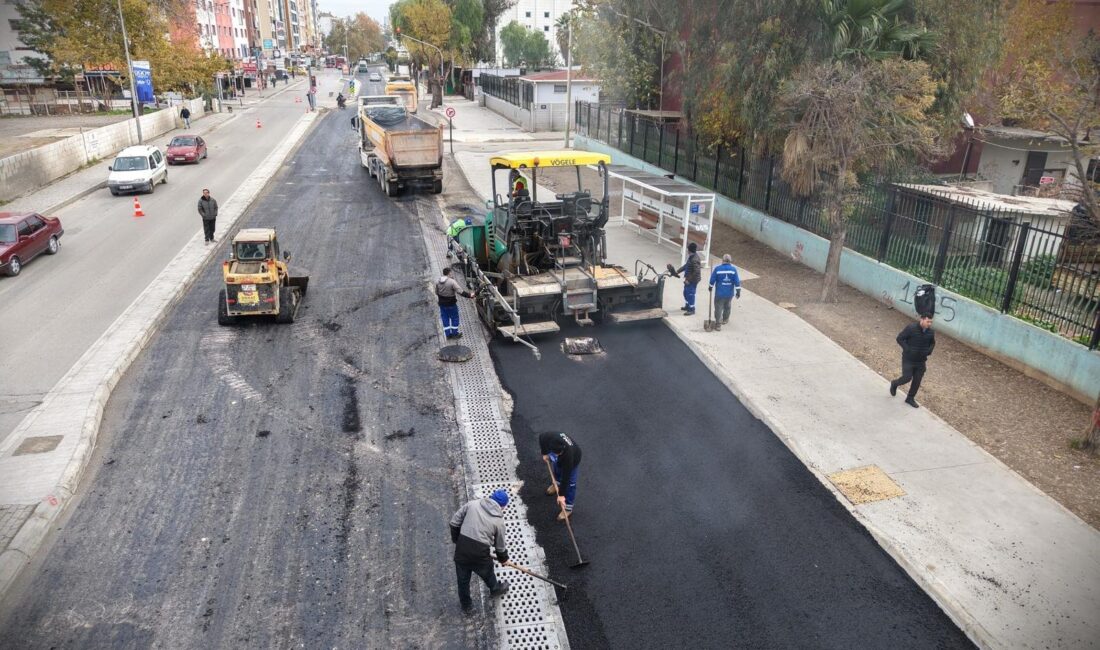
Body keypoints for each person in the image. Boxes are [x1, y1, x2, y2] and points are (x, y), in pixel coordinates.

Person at [450, 490, 511, 613]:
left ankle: (466, 606)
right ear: (502, 506)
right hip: (480, 553)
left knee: (462, 581)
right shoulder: (499, 522)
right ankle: (495, 589)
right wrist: (503, 559)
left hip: (462, 550)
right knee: (487, 571)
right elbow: (500, 546)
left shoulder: (473, 504)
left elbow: (454, 522)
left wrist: (457, 540)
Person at [890, 313, 936, 408]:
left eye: (931, 322)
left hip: (921, 361)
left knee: (917, 380)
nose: (929, 324)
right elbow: (900, 338)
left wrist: (929, 351)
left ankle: (910, 398)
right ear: (922, 319)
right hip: (909, 359)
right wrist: (907, 349)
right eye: (928, 321)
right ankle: (894, 383)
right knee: (907, 377)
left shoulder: (931, 332)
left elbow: (932, 343)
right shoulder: (911, 328)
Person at [540, 432, 581, 521]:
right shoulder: (549, 437)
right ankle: (556, 485)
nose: (557, 455)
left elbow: (566, 477)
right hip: (562, 456)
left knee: (570, 484)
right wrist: (544, 453)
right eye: (556, 453)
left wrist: (561, 496)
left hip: (574, 460)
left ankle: (568, 509)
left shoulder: (568, 456)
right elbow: (541, 437)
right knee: (557, 468)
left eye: (559, 454)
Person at [436, 267, 473, 339]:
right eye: (451, 272)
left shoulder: (438, 282)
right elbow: (460, 291)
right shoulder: (452, 282)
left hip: (442, 305)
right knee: (454, 318)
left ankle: (448, 335)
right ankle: (455, 334)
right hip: (451, 304)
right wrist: (469, 295)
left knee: (445, 319)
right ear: (449, 273)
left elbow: (436, 292)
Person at [708, 254, 742, 331]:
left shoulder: (717, 269)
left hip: (719, 294)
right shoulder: (733, 270)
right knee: (727, 306)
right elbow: (737, 282)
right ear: (730, 261)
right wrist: (738, 292)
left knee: (718, 308)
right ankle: (725, 319)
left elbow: (712, 279)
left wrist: (710, 286)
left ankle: (718, 325)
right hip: (729, 294)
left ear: (722, 260)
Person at [675, 242, 703, 315]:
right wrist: (677, 271)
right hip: (688, 278)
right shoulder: (691, 257)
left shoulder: (695, 259)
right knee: (685, 292)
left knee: (690, 294)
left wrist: (689, 280)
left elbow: (696, 271)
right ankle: (687, 305)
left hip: (693, 280)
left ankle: (691, 309)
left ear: (689, 250)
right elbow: (686, 266)